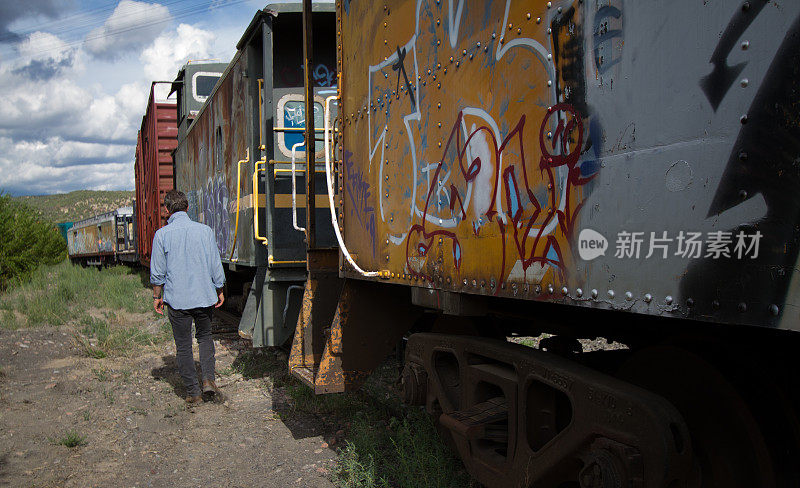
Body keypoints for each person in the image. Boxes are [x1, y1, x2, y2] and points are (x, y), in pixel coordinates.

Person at [150, 190, 225, 404]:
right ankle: (209, 380)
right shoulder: (205, 231)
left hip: (177, 300)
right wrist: (219, 289)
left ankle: (193, 392)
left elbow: (157, 272)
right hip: (203, 297)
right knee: (205, 337)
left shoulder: (161, 235)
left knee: (183, 345)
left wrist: (157, 295)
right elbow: (214, 265)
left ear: (166, 210)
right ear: (188, 207)